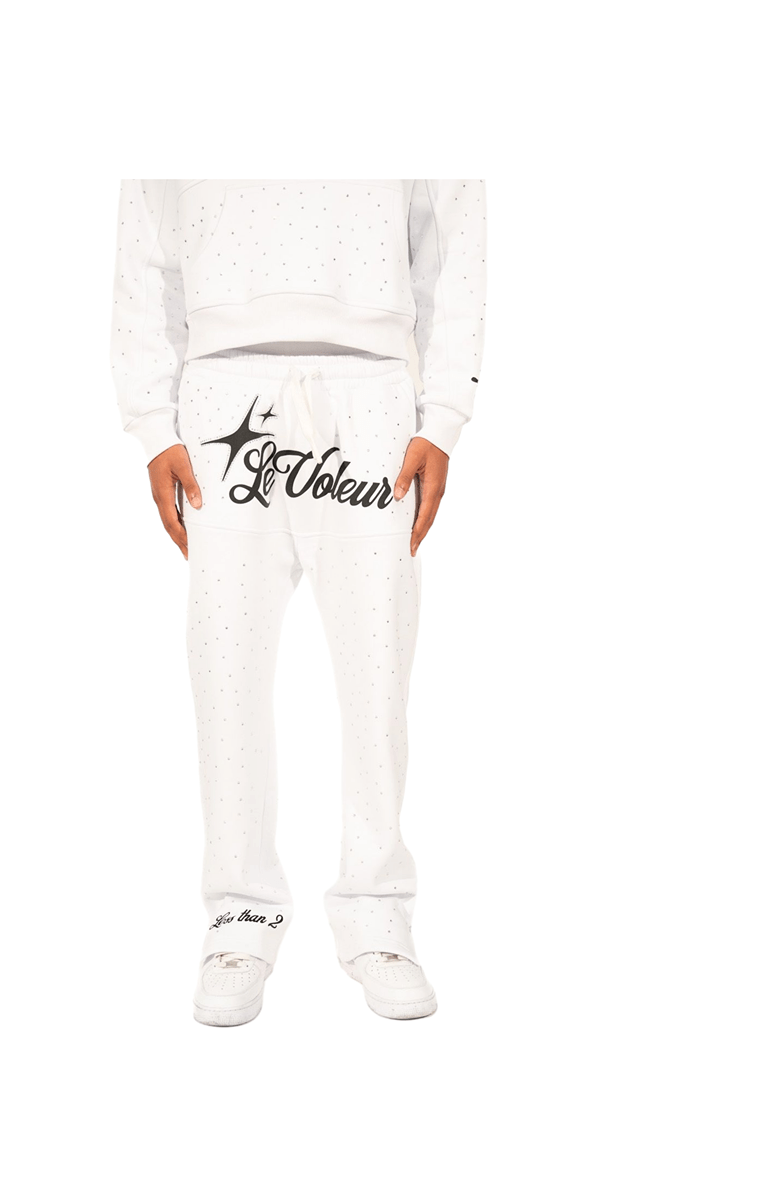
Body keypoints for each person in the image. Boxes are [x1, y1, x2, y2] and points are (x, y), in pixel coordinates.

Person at [111, 179, 486, 1024]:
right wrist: (153, 423)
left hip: (373, 393)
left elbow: (454, 218)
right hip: (222, 389)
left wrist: (444, 414)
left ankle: (377, 912)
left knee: (378, 674)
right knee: (226, 673)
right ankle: (239, 916)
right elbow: (145, 229)